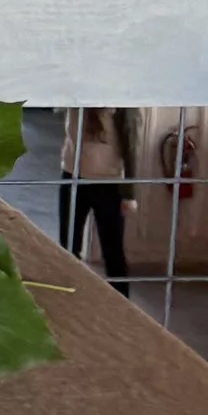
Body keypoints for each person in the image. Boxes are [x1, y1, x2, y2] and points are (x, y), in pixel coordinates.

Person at [58, 106, 138, 286]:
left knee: (113, 251)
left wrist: (129, 193)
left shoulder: (121, 100)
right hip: (72, 177)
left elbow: (131, 144)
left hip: (108, 183)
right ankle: (70, 298)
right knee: (68, 247)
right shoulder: (76, 95)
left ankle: (121, 305)